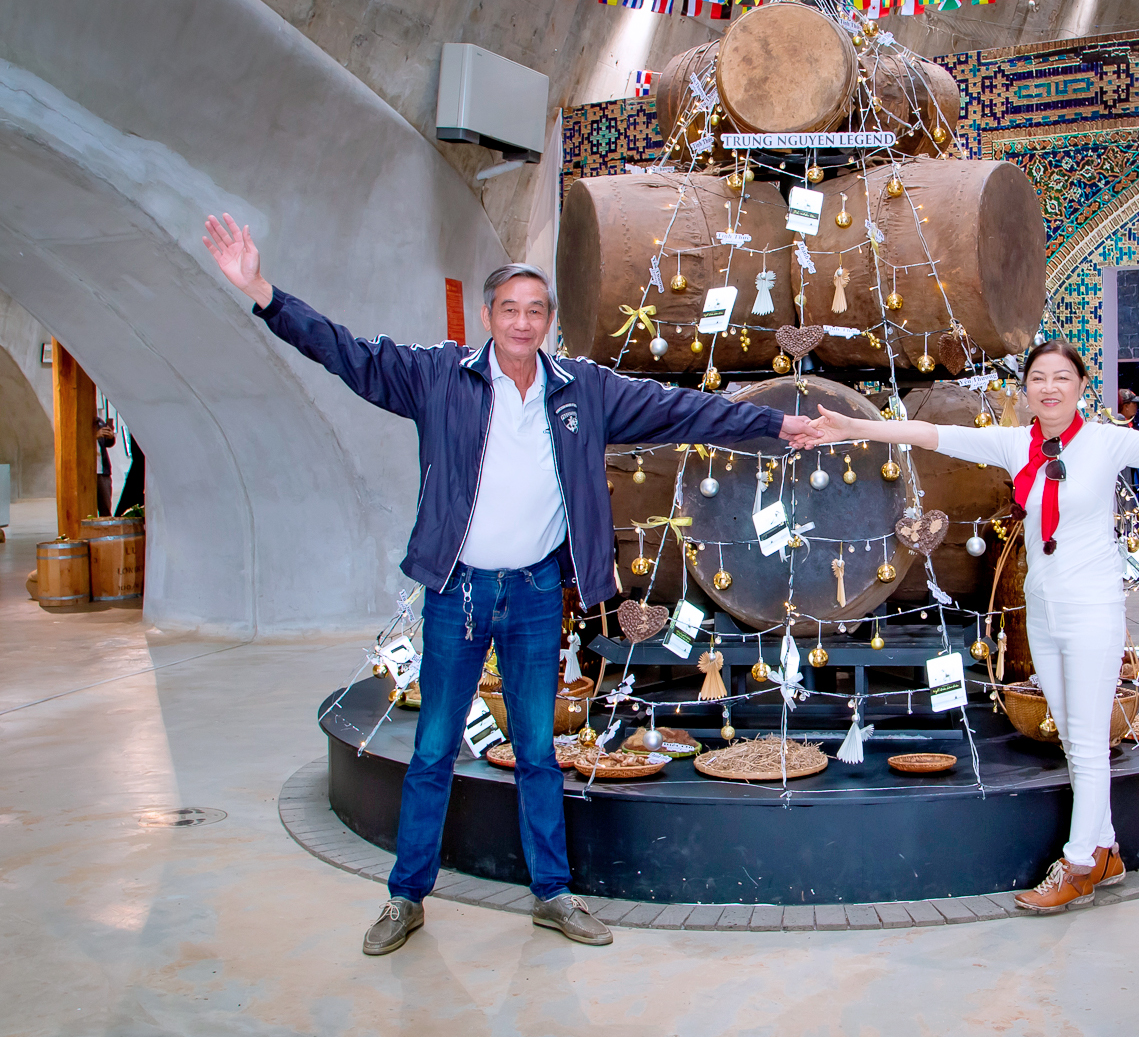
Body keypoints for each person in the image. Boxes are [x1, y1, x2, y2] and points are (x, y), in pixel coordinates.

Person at [202, 214, 815, 954]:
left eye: (535, 310)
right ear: (488, 316)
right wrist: (264, 293)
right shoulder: (438, 376)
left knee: (536, 750)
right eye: (509, 309)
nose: (522, 322)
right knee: (434, 749)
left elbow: (679, 408)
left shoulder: (583, 390)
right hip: (455, 594)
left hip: (534, 596)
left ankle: (552, 894)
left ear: (548, 321)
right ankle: (405, 897)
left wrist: (774, 425)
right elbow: (347, 353)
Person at [806, 338, 1139, 916]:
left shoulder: (1106, 441)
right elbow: (930, 435)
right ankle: (1105, 852)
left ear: (1081, 386)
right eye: (1038, 378)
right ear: (1027, 389)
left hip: (1092, 609)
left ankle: (1078, 865)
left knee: (1086, 740)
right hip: (1043, 610)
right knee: (1073, 739)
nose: (1049, 387)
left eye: (1061, 377)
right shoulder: (1016, 444)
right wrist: (852, 428)